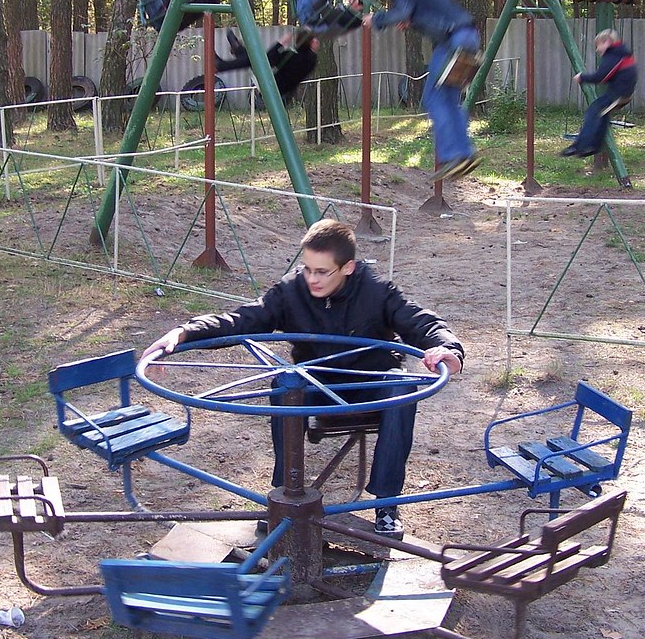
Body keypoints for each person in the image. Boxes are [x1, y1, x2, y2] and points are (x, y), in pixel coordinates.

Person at [141, 218, 464, 538]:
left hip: (368, 384)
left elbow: (423, 323)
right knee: (284, 385)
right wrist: (185, 331)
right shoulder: (291, 290)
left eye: (322, 271)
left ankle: (387, 502)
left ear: (348, 267)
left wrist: (446, 349)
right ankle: (285, 492)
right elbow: (243, 319)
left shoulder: (377, 291)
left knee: (401, 386)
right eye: (307, 268)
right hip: (315, 383)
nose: (312, 279)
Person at [363, 0, 482, 182]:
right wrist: (413, 22)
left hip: (453, 41)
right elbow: (427, 12)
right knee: (448, 100)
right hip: (468, 37)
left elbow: (399, 14)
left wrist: (376, 19)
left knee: (434, 99)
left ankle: (454, 155)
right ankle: (465, 154)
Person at [561, 28, 638, 158]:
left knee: (593, 112)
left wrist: (582, 77)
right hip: (624, 92)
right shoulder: (622, 53)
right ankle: (594, 146)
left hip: (618, 94)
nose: (597, 50)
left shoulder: (613, 54)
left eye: (598, 46)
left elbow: (602, 76)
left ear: (607, 42)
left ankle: (580, 146)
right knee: (602, 116)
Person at [219, 28, 320, 104]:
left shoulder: (292, 57)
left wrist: (280, 43)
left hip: (269, 85)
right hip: (277, 88)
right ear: (312, 42)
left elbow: (268, 59)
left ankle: (229, 59)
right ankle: (235, 53)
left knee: (256, 59)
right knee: (253, 59)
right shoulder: (310, 59)